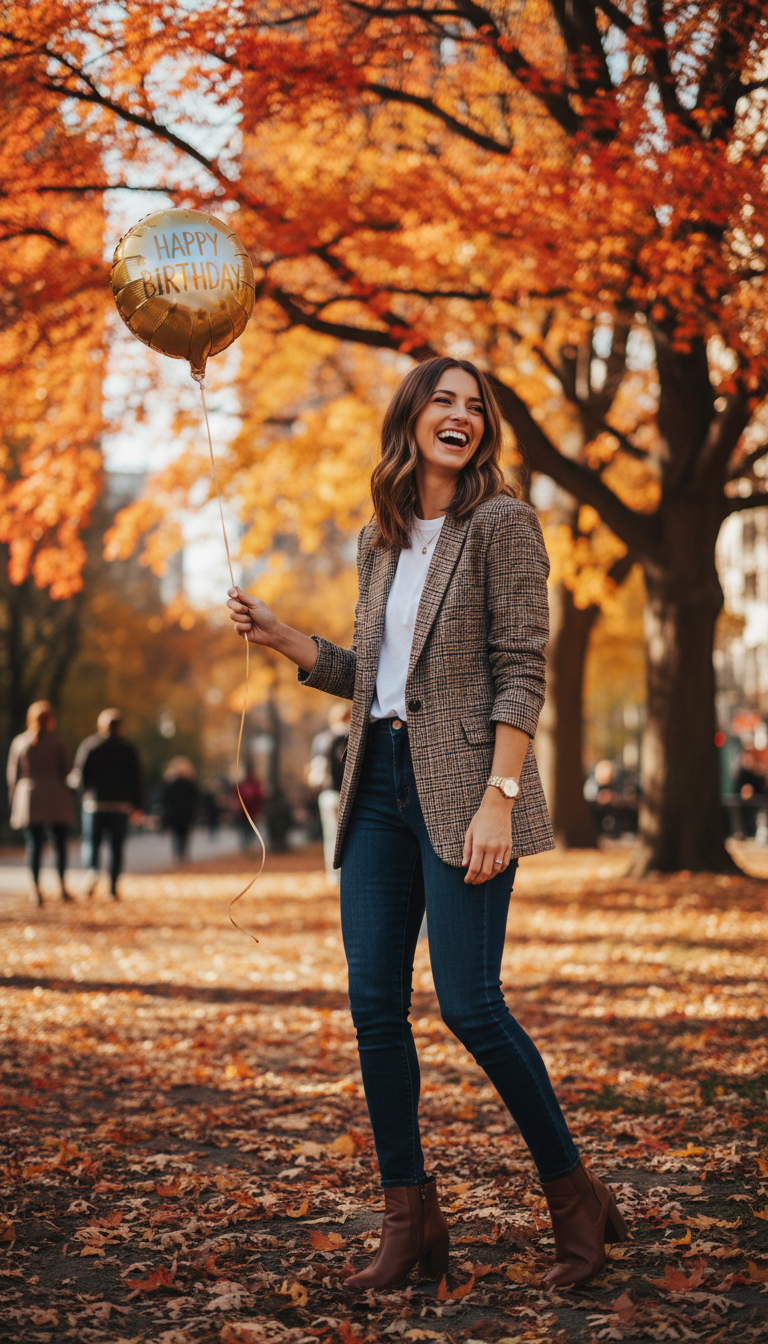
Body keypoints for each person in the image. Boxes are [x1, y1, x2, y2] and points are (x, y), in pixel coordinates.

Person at [227, 356, 628, 1291]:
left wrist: (500, 795)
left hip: (464, 792)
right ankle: (409, 1223)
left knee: (469, 1003)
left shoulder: (503, 523)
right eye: (442, 401)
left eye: (474, 406)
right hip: (376, 787)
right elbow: (376, 676)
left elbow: (521, 668)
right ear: (411, 417)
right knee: (374, 1007)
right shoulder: (382, 538)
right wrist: (289, 641)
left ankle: (577, 1196)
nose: (461, 416)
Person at [6, 701, 75, 907]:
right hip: (56, 798)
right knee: (59, 845)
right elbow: (68, 772)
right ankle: (62, 887)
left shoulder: (20, 743)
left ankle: (36, 889)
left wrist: (14, 802)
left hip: (30, 799)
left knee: (34, 846)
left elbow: (12, 776)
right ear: (51, 720)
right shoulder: (58, 743)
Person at [70, 709, 143, 900]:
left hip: (95, 804)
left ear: (101, 726)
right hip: (119, 805)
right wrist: (137, 806)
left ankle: (93, 870)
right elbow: (136, 779)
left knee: (92, 843)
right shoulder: (128, 749)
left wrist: (84, 796)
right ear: (120, 727)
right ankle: (113, 887)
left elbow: (80, 776)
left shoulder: (90, 745)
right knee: (116, 847)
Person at [308, 703, 351, 880]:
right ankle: (350, 874)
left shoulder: (321, 739)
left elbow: (314, 767)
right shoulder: (353, 735)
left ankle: (334, 876)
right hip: (351, 794)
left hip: (327, 794)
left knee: (331, 835)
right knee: (352, 836)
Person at [161, 757, 199, 861]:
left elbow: (165, 799)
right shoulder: (190, 784)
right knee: (185, 835)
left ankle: (178, 853)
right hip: (186, 813)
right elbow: (196, 797)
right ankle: (183, 853)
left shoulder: (171, 784)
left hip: (175, 814)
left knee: (177, 835)